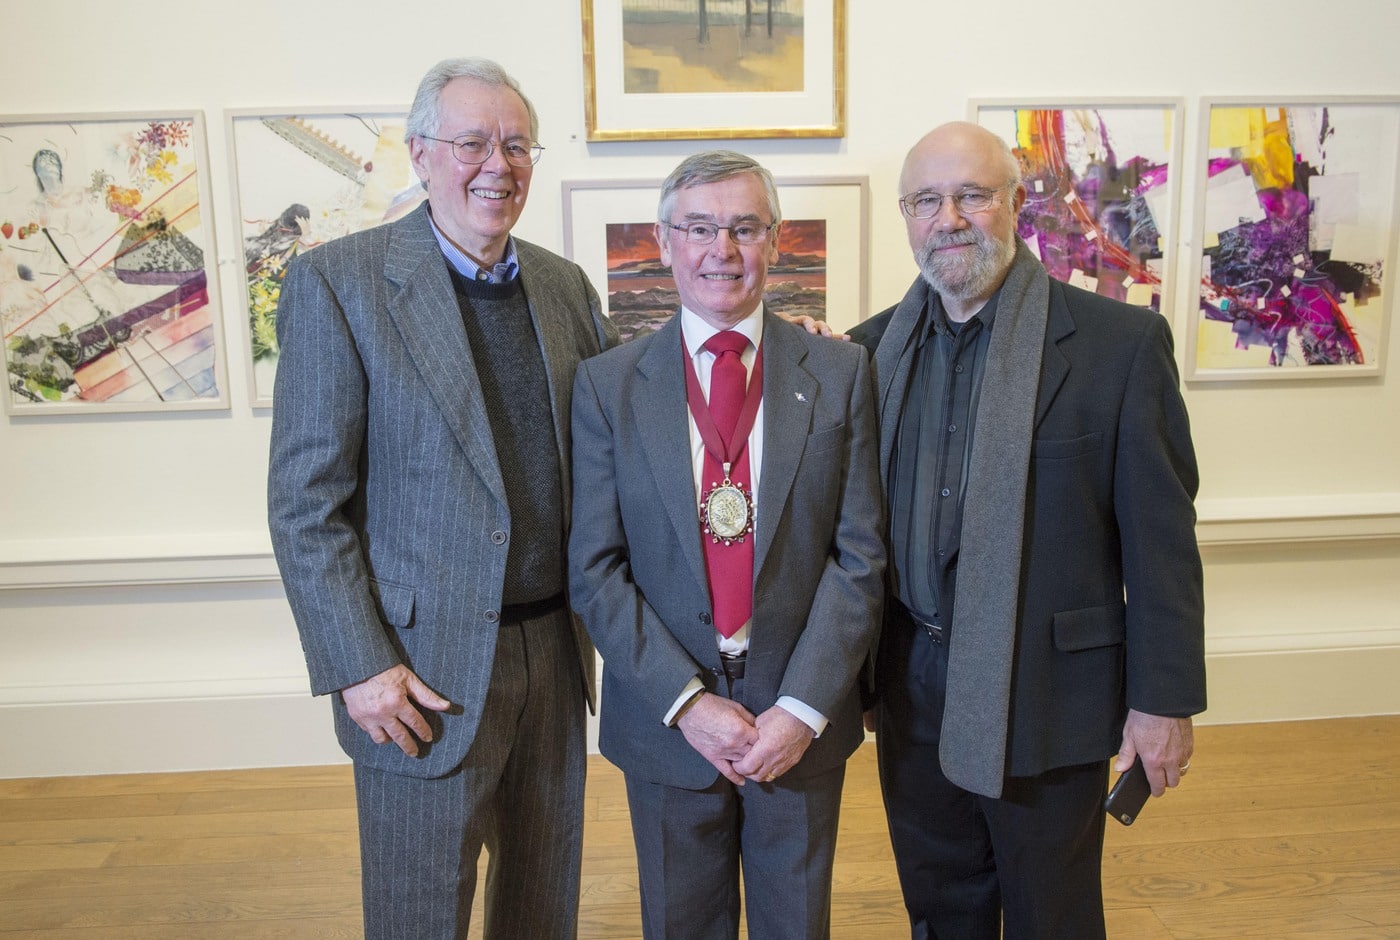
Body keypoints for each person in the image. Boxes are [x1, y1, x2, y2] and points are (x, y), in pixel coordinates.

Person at [267, 57, 617, 939]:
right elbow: (306, 502)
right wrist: (359, 665)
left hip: (555, 650)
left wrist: (770, 348)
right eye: (471, 142)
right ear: (421, 154)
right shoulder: (339, 284)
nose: (497, 164)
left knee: (544, 908)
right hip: (417, 673)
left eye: (515, 144)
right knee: (418, 914)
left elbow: (632, 417)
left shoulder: (563, 285)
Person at [849, 121, 1206, 939]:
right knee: (941, 907)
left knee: (1054, 914)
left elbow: (1162, 544)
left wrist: (1162, 703)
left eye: (972, 194)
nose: (950, 217)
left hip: (1049, 692)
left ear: (1015, 204)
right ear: (906, 216)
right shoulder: (869, 354)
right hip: (911, 684)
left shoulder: (1120, 346)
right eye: (927, 200)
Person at [568, 150, 886, 939]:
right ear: (665, 240)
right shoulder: (607, 386)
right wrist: (689, 704)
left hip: (797, 719)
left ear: (775, 240)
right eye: (700, 228)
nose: (723, 250)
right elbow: (596, 569)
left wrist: (803, 707)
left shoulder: (842, 372)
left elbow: (860, 558)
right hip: (668, 718)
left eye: (744, 228)